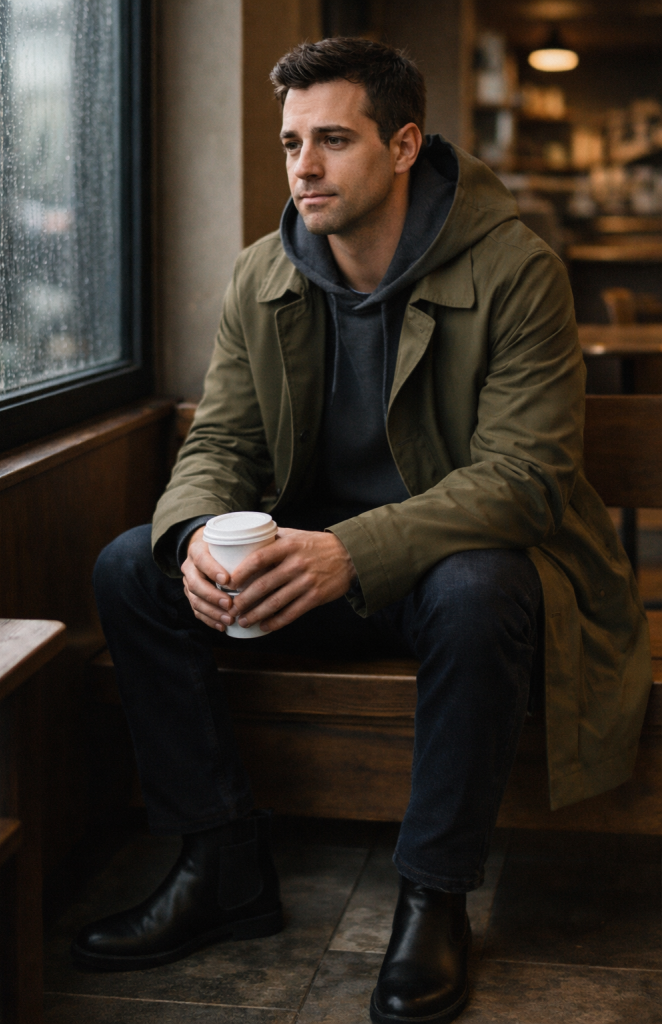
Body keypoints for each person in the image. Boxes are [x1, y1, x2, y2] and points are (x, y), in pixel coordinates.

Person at [72, 37, 650, 1024]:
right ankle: (221, 861)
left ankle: (432, 895)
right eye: (293, 141)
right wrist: (200, 535)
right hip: (309, 578)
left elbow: (529, 478)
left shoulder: (517, 271)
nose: (302, 166)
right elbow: (220, 438)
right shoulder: (261, 277)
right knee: (134, 564)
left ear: (403, 145)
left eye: (331, 139)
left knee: (481, 585)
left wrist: (352, 550)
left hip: (439, 583)